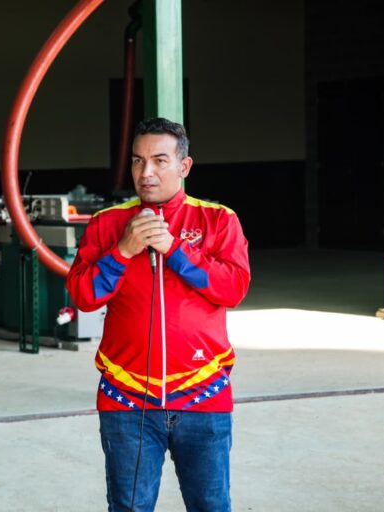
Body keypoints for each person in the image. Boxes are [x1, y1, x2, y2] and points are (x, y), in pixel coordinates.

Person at [66, 118, 250, 511]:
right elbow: (83, 296)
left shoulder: (219, 220)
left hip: (204, 395)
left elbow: (233, 288)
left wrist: (175, 250)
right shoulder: (108, 224)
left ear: (184, 166)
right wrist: (124, 251)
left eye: (159, 161)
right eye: (137, 161)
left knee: (211, 505)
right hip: (126, 398)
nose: (145, 173)